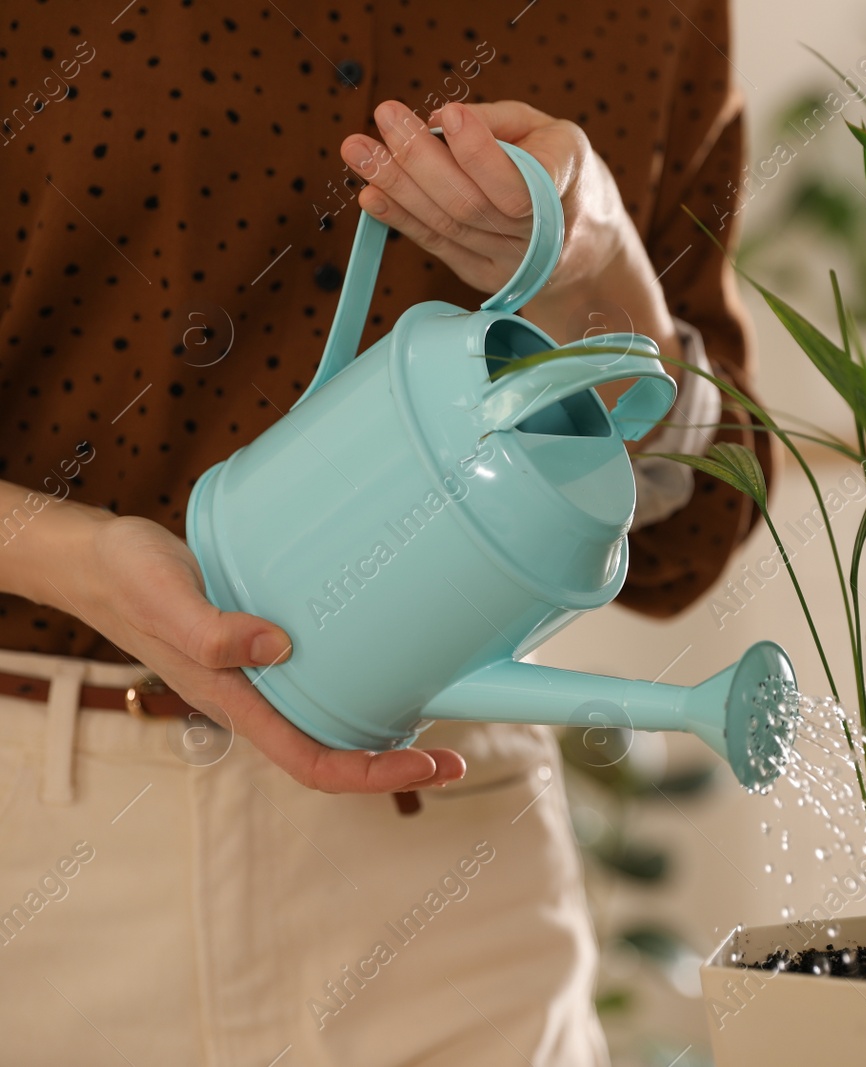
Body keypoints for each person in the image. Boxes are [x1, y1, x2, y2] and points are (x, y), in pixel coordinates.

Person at [0, 2, 768, 1063]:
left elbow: (702, 520)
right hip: (44, 861)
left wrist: (598, 271)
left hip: (454, 874)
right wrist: (72, 558)